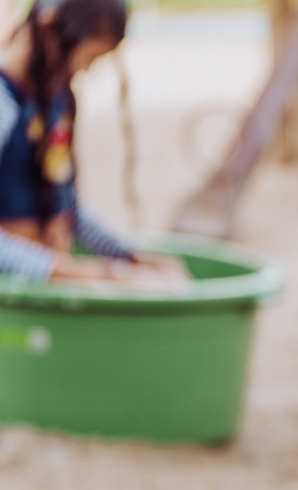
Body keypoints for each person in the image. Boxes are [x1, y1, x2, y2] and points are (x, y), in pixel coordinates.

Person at [0, 0, 186, 283]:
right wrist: (67, 270)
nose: (84, 71)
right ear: (49, 29)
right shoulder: (5, 103)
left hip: (44, 288)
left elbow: (64, 205)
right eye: (86, 58)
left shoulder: (52, 102)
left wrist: (128, 254)